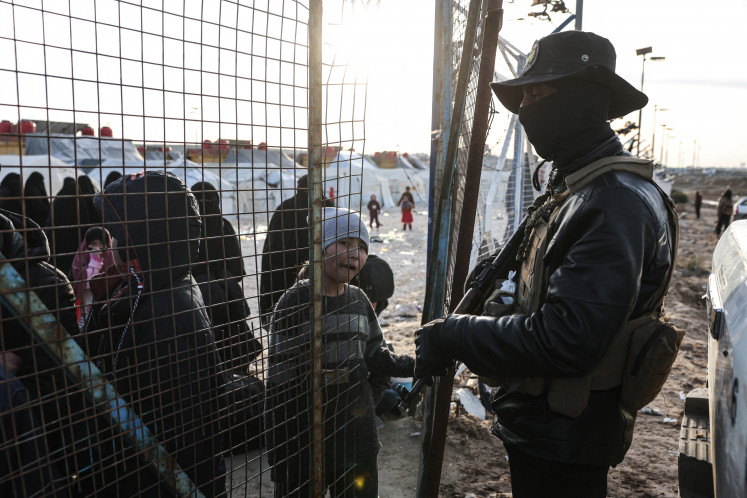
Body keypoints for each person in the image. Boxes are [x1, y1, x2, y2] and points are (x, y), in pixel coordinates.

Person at [414, 31, 679, 497]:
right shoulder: (580, 187)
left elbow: (569, 337)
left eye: (539, 93)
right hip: (552, 427)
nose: (527, 108)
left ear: (584, 97)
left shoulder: (612, 200)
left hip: (567, 436)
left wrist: (453, 333)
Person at [86, 171, 227, 497]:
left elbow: (176, 428)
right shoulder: (164, 285)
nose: (110, 244)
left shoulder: (168, 313)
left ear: (139, 240)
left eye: (115, 235)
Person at [265, 208, 414, 497]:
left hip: (356, 442)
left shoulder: (359, 301)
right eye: (344, 243)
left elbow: (378, 357)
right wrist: (280, 454)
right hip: (304, 442)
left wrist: (417, 365)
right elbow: (278, 384)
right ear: (320, 246)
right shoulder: (295, 302)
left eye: (361, 247)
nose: (355, 254)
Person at [191, 181, 260, 371]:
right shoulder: (219, 224)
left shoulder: (190, 226)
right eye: (200, 199)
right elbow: (237, 268)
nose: (205, 202)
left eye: (209, 198)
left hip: (211, 298)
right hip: (216, 297)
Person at [259, 174, 333, 328]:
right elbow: (273, 250)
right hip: (286, 277)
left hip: (323, 273)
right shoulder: (285, 210)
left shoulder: (328, 208)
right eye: (305, 191)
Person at [70, 226, 115, 330]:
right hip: (87, 294)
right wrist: (95, 259)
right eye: (94, 244)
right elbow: (87, 282)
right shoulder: (82, 255)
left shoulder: (110, 255)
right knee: (84, 316)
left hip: (104, 294)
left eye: (101, 244)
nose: (97, 247)